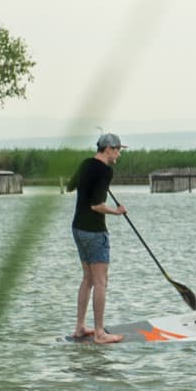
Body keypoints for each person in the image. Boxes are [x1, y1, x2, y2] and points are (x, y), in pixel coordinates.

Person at [66, 132, 127, 344]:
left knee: (88, 279)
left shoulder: (86, 164)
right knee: (101, 282)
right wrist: (116, 212)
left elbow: (70, 186)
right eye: (118, 149)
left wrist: (91, 183)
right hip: (93, 230)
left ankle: (80, 327)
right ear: (108, 149)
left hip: (78, 228)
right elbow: (96, 205)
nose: (119, 153)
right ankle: (100, 333)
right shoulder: (105, 171)